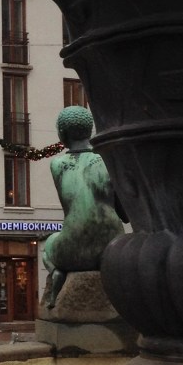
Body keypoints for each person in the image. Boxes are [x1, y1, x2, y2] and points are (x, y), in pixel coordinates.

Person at [43, 106, 125, 307]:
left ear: (62, 133)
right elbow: (125, 214)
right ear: (89, 131)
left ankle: (56, 272)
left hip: (72, 250)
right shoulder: (109, 160)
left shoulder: (57, 164)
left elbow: (70, 206)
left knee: (49, 245)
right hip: (111, 248)